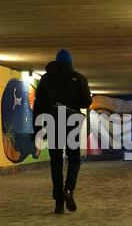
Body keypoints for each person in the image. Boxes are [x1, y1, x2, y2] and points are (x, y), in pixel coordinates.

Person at [33, 49, 92, 214]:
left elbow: (38, 107)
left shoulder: (45, 79)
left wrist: (37, 131)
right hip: (71, 122)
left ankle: (59, 203)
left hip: (52, 122)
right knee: (74, 159)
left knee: (56, 163)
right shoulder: (78, 78)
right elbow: (86, 102)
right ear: (70, 62)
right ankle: (68, 189)